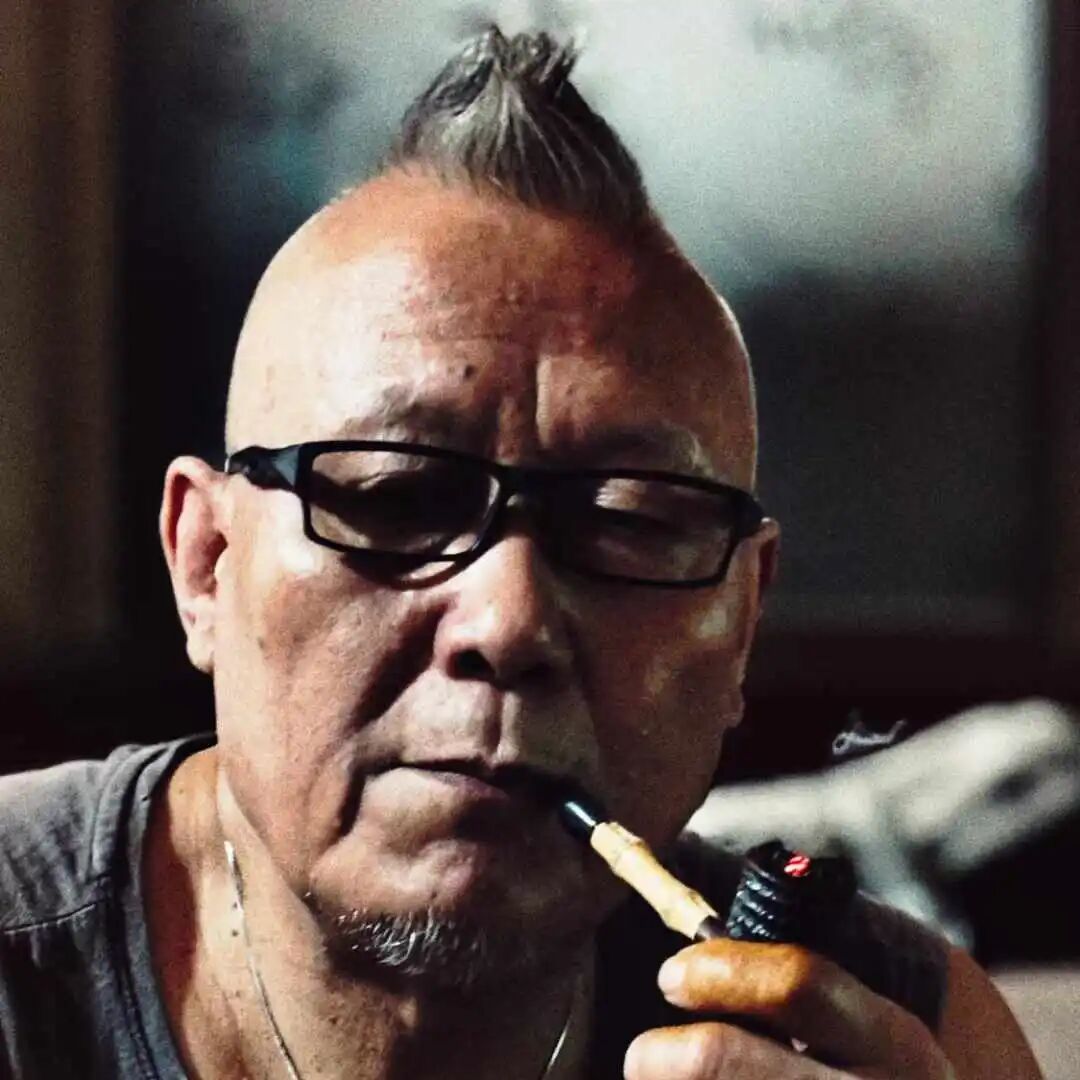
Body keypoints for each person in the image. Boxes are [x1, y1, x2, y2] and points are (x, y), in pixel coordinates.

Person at [0, 27, 1040, 1080]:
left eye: (630, 520)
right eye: (396, 498)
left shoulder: (909, 1037)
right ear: (206, 564)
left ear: (742, 625)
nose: (509, 621)